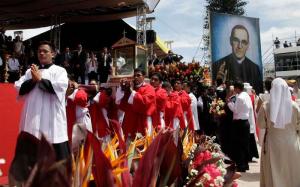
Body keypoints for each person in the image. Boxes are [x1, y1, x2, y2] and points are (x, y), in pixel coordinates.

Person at [14, 41, 70, 160]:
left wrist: (40, 80)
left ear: (53, 54)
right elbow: (18, 87)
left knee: (56, 157)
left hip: (52, 119)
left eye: (45, 51)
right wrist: (33, 80)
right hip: (33, 118)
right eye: (39, 51)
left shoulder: (59, 71)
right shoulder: (30, 72)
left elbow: (60, 88)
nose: (42, 53)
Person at [257, 78, 300, 187]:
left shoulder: (266, 106)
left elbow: (260, 124)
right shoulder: (295, 106)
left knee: (273, 173)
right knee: (291, 171)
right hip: (292, 144)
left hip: (272, 144)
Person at [212, 24, 263, 93]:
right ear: (230, 41)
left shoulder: (255, 69)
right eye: (236, 40)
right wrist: (218, 81)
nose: (239, 46)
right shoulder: (218, 66)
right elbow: (215, 92)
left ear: (248, 45)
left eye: (244, 42)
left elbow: (258, 92)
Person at [116, 68, 156, 139]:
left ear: (144, 77)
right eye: (134, 76)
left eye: (138, 75)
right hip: (130, 121)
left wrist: (132, 92)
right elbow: (121, 104)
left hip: (142, 121)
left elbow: (144, 103)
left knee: (141, 146)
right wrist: (122, 89)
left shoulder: (149, 88)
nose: (136, 77)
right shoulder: (131, 88)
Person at [227, 81, 255, 172]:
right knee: (245, 144)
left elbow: (235, 110)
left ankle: (241, 165)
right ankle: (245, 164)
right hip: (245, 122)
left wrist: (229, 103)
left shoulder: (240, 98)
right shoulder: (246, 95)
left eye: (235, 88)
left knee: (238, 145)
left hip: (239, 123)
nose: (234, 90)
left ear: (238, 88)